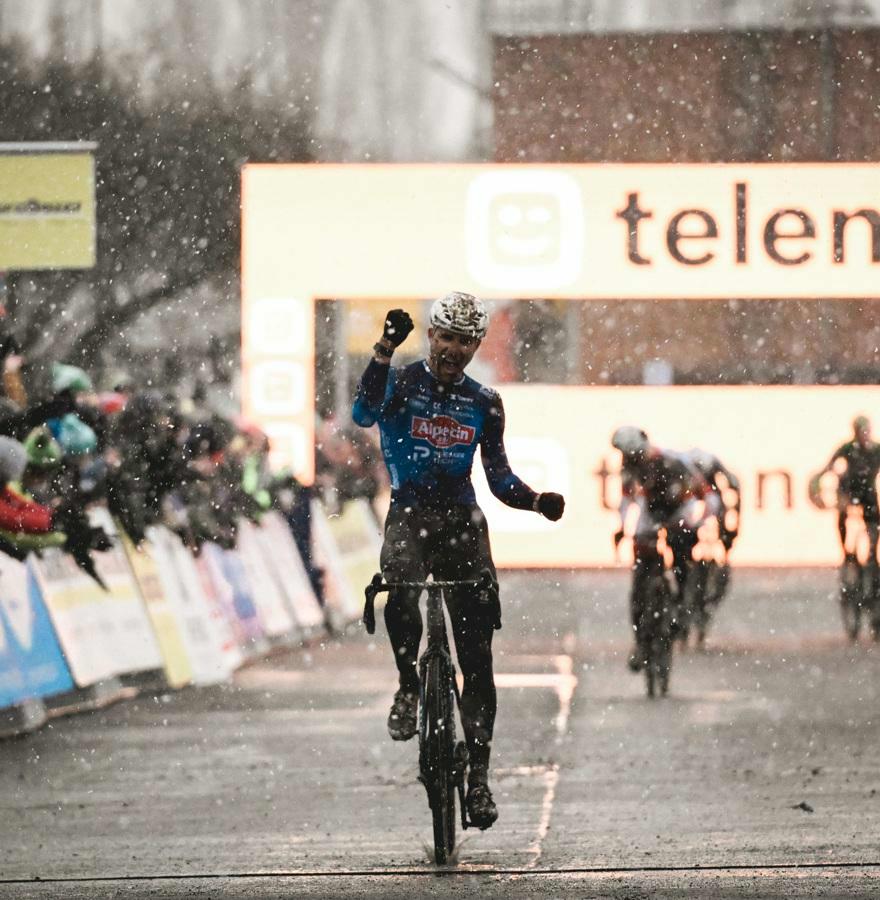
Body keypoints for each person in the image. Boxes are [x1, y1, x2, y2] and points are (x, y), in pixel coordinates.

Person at [352, 292, 565, 830]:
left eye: (464, 341)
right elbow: (362, 413)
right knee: (399, 589)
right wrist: (382, 351)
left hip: (462, 523)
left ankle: (478, 779)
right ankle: (407, 685)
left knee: (477, 659)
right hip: (409, 516)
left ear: (475, 344)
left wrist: (536, 500)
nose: (453, 349)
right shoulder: (401, 383)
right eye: (445, 337)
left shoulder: (485, 401)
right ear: (432, 335)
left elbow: (499, 478)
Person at [611, 426, 709, 670]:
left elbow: (704, 495)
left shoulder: (672, 461)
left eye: (632, 456)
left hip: (679, 509)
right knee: (640, 578)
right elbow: (627, 500)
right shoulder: (629, 466)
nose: (629, 461)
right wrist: (623, 528)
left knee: (681, 553)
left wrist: (698, 522)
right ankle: (641, 642)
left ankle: (681, 604)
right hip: (652, 512)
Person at [815, 415, 880, 570]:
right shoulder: (848, 448)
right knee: (842, 515)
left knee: (874, 520)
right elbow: (827, 468)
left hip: (867, 492)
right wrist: (818, 488)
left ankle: (872, 553)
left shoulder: (876, 449)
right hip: (850, 491)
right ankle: (846, 552)